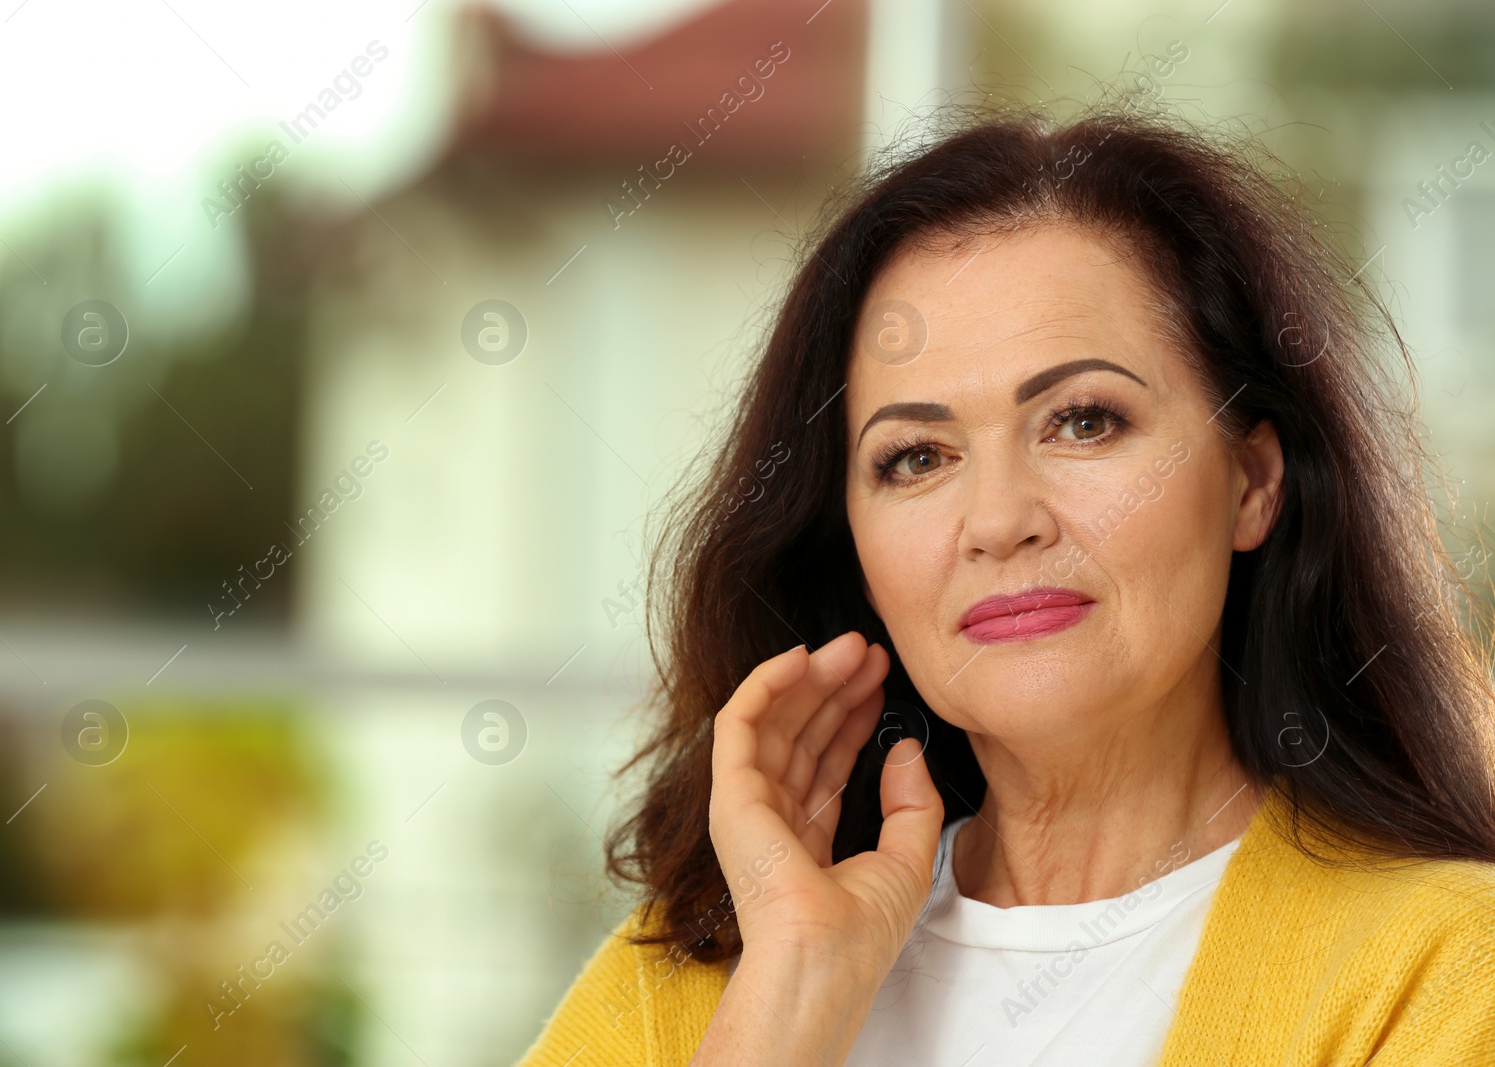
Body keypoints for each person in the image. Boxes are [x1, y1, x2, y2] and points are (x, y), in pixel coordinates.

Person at [515, 104, 1495, 1066]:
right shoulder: (699, 976)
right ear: (847, 537)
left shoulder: (1450, 975)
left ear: (1251, 481)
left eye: (1081, 420)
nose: (996, 520)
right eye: (914, 456)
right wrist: (786, 997)